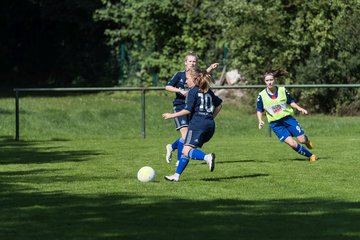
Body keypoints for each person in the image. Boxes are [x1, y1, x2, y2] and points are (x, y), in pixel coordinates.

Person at [162, 66, 223, 182]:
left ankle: (207, 157)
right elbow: (219, 105)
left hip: (197, 125)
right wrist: (211, 117)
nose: (185, 81)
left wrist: (171, 115)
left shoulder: (192, 91)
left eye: (187, 79)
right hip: (210, 126)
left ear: (194, 79)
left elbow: (188, 110)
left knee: (186, 150)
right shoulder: (207, 89)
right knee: (188, 148)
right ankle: (176, 175)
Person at [165, 51, 219, 166]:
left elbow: (202, 76)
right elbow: (167, 86)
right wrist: (179, 90)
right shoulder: (179, 75)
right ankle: (180, 160)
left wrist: (210, 68)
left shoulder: (196, 75)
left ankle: (172, 146)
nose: (192, 63)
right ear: (185, 63)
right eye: (190, 61)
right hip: (180, 107)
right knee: (185, 136)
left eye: (194, 61)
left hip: (192, 109)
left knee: (188, 135)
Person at [256, 69, 317, 162]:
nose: (269, 82)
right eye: (267, 80)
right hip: (276, 124)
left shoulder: (282, 90)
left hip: (288, 119)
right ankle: (311, 156)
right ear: (264, 82)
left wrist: (299, 108)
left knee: (302, 140)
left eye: (271, 80)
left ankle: (307, 141)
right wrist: (260, 120)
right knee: (292, 144)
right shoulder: (261, 95)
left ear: (274, 80)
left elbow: (291, 101)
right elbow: (259, 110)